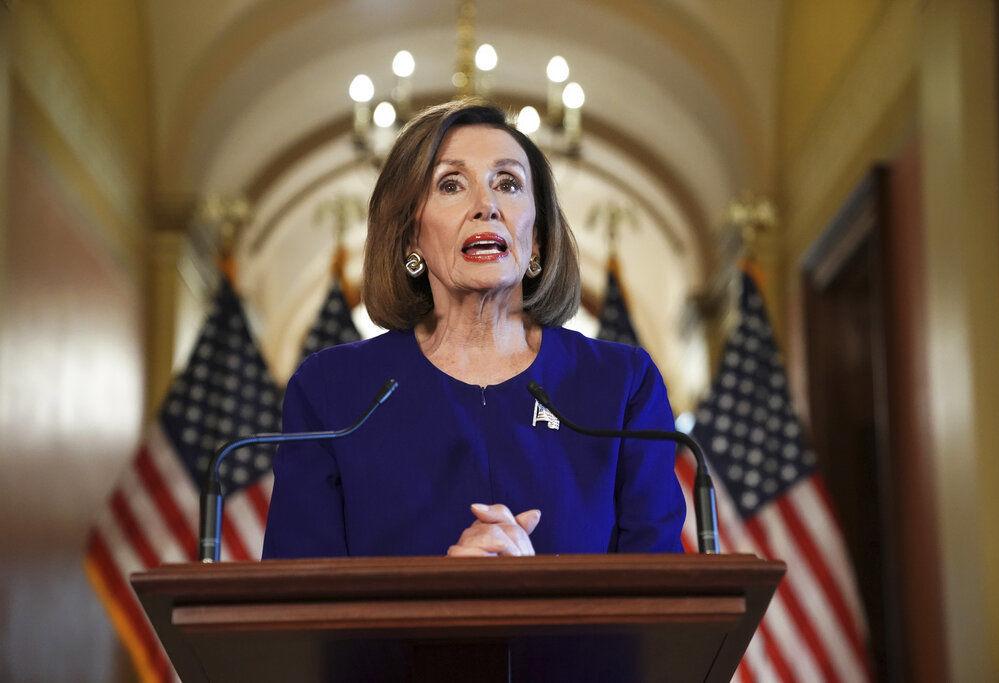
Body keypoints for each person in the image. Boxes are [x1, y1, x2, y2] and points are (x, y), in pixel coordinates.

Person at [262, 99, 684, 559]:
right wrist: (444, 600)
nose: (486, 206)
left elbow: (662, 601)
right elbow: (298, 607)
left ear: (537, 237)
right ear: (409, 237)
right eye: (451, 184)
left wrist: (537, 595)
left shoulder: (621, 385)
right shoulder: (333, 391)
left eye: (508, 183)